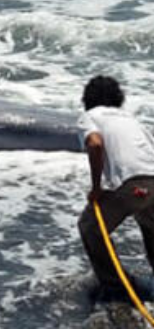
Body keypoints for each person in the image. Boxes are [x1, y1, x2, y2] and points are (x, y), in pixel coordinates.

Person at [78, 75, 154, 294]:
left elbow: (95, 143)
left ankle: (115, 286)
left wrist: (96, 188)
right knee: (149, 225)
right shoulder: (130, 119)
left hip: (131, 182)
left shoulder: (90, 116)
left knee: (90, 228)